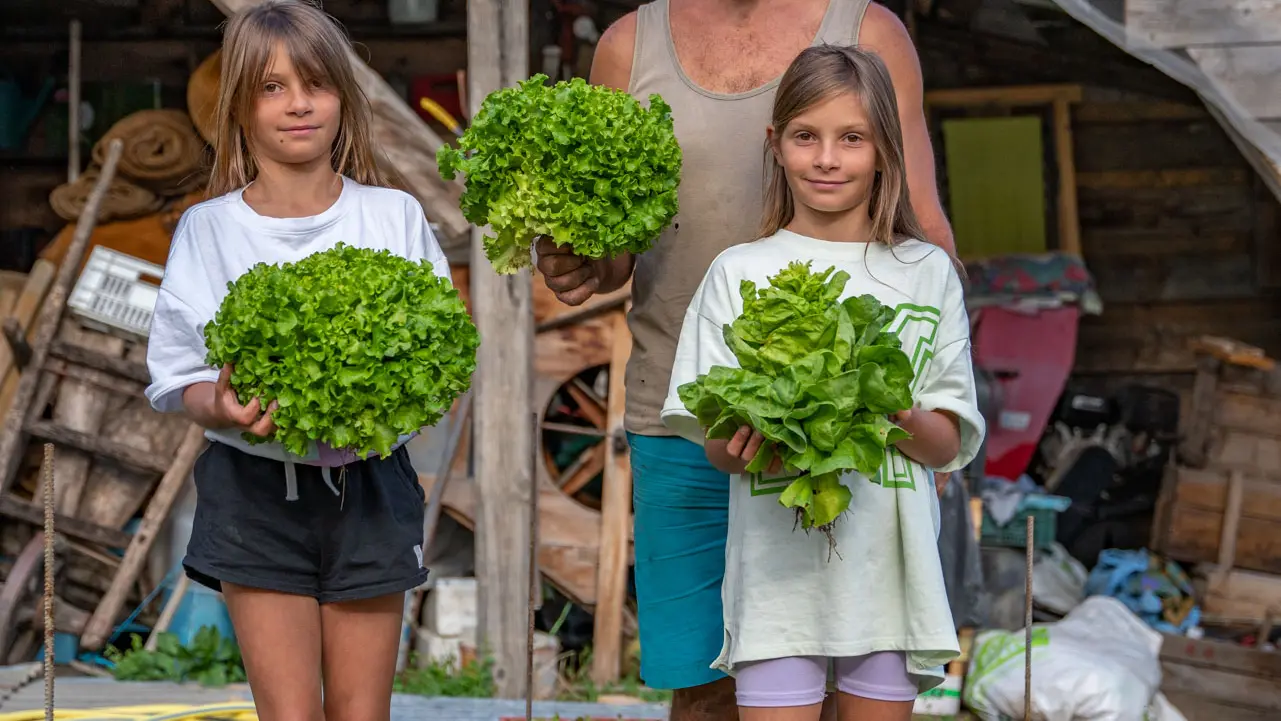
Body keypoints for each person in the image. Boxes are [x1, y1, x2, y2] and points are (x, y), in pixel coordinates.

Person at [535, 1, 956, 718]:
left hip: (852, 429)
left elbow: (921, 231)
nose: (828, 154)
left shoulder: (868, 31)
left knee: (844, 671)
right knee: (707, 689)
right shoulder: (629, 48)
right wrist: (580, 263)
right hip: (686, 419)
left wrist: (925, 417)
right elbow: (614, 246)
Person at [659, 45, 984, 721]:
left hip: (890, 574)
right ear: (776, 145)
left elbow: (946, 439)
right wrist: (753, 433)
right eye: (806, 137)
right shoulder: (738, 272)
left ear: (884, 151)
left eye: (851, 139)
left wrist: (884, 403)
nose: (827, 159)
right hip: (777, 575)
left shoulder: (926, 272)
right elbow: (716, 446)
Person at [143, 2, 449, 720]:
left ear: (345, 96)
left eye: (315, 84)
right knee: (289, 714)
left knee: (360, 712)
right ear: (240, 107)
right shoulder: (208, 229)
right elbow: (174, 375)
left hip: (370, 487)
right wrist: (217, 404)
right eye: (271, 87)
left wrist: (387, 404)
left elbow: (441, 353)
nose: (298, 104)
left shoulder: (393, 214)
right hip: (254, 490)